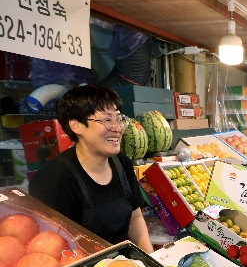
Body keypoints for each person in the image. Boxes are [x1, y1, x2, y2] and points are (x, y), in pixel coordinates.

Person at [29, 84, 154, 254]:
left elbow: (135, 218)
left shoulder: (121, 162)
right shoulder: (54, 179)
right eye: (106, 119)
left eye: (119, 118)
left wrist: (153, 265)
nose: (117, 127)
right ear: (76, 125)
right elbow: (52, 249)